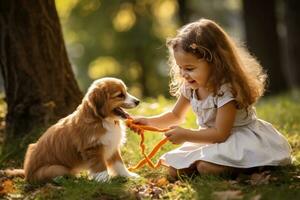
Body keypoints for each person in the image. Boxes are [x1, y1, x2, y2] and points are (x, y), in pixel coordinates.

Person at [130, 18, 292, 178]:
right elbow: (175, 116)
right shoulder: (190, 87)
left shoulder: (225, 90)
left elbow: (221, 134)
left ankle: (248, 166)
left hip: (238, 140)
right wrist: (148, 122)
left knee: (206, 168)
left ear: (215, 62)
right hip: (208, 139)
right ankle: (209, 164)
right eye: (180, 68)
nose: (184, 74)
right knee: (173, 170)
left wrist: (186, 135)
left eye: (190, 68)